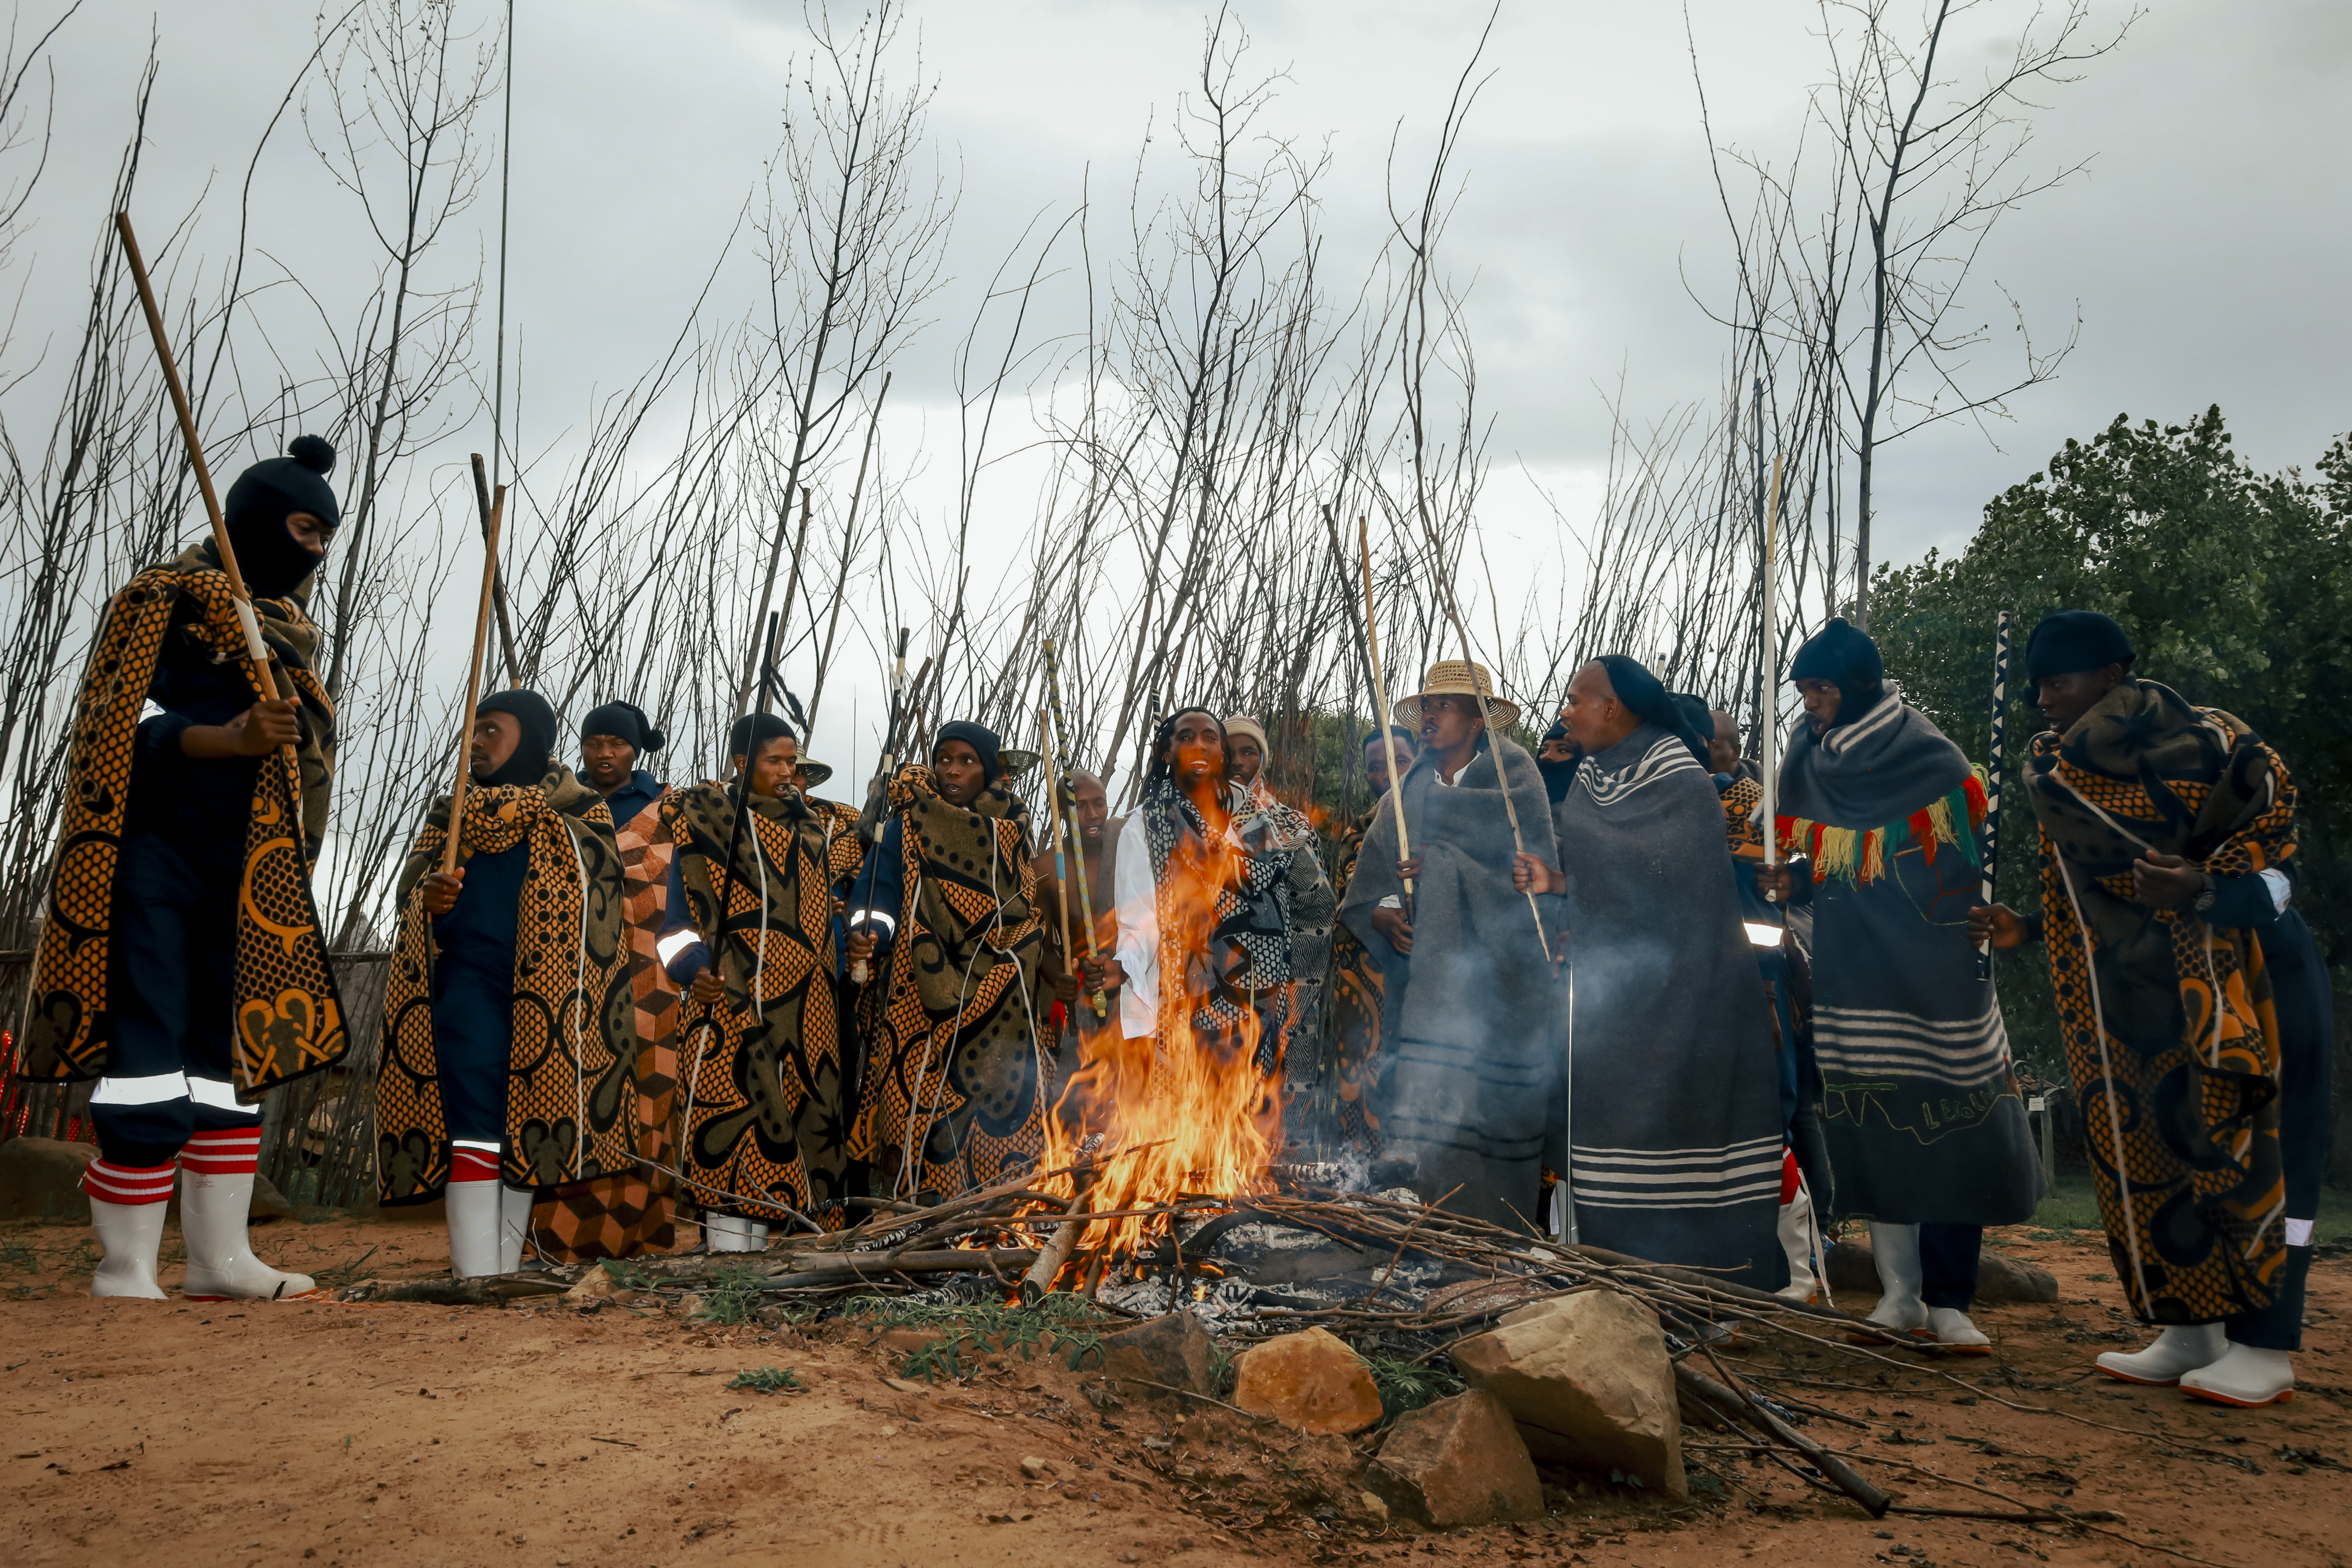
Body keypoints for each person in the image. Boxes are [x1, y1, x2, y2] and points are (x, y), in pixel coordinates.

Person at [24, 438, 347, 1300]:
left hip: (251, 866)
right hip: (154, 854)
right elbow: (115, 729)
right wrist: (231, 738)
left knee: (223, 1060)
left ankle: (219, 1256)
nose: (313, 550)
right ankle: (124, 1262)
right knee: (148, 1056)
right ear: (251, 518)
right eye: (302, 527)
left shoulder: (288, 628)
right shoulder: (162, 598)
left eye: (326, 536)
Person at [1970, 611, 2314, 1407]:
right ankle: (2191, 1326)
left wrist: (2207, 890)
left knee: (2262, 1149)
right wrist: (2026, 923)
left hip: (2252, 978)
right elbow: (2093, 887)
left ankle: (2267, 1342)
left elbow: (2282, 859)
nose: (2045, 700)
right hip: (2138, 998)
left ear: (2113, 675)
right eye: (2039, 686)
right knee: (2160, 1146)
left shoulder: (2214, 746)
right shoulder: (2057, 769)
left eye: (2060, 682)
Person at [1758, 619, 2040, 1347]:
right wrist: (1789, 879)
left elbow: (1950, 872)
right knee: (1875, 1124)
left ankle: (1951, 1300)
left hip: (1939, 970)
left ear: (1856, 687)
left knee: (1954, 1127)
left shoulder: (1931, 759)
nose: (1810, 704)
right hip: (1856, 971)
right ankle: (1899, 1295)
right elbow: (1829, 869)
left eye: (1820, 690)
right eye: (1803, 691)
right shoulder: (1810, 757)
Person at [1518, 655, 1784, 1285]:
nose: (1564, 711)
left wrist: (1565, 884)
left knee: (1679, 1144)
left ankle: (1706, 1293)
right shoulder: (1591, 777)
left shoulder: (1679, 778)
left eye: (1576, 700)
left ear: (1612, 708)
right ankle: (1623, 1282)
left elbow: (1669, 885)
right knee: (1611, 1146)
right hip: (1612, 999)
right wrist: (1557, 883)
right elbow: (1603, 871)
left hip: (1684, 998)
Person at [377, 689, 636, 1277]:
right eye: (474, 731)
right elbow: (411, 893)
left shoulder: (580, 812)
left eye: (491, 730)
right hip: (466, 986)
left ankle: (503, 1266)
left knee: (527, 1130)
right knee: (473, 1123)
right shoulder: (451, 815)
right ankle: (474, 1273)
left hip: (551, 998)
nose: (476, 742)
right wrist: (428, 898)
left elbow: (601, 904)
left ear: (532, 738)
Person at [1338, 663, 1562, 1229]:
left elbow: (1537, 884)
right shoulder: (1407, 788)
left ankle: (1497, 1236)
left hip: (1502, 987)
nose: (1430, 717)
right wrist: (1387, 916)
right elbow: (1366, 892)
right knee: (1427, 1117)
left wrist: (1444, 867)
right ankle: (1429, 1235)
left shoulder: (1517, 782)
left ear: (1477, 719)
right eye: (1427, 706)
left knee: (1494, 1115)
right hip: (1424, 993)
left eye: (1445, 706)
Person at [657, 714, 861, 1247]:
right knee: (737, 1127)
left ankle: (783, 1266)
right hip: (730, 1002)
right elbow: (674, 925)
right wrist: (693, 969)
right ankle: (730, 1267)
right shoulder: (705, 819)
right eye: (776, 760)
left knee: (801, 1132)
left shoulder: (811, 829)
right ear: (742, 763)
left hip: (807, 1017)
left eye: (793, 761)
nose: (788, 771)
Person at [845, 723, 1047, 1203]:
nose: (952, 770)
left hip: (999, 998)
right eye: (944, 758)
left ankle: (992, 1221)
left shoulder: (1012, 826)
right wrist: (870, 931)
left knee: (994, 1106)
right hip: (919, 993)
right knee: (915, 1107)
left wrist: (1018, 950)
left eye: (966, 760)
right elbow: (881, 889)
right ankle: (913, 1225)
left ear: (992, 770)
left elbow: (1022, 904)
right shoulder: (908, 821)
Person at [1094, 711, 1302, 1106]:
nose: (1200, 746)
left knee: (1243, 1148)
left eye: (1210, 737)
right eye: (1186, 737)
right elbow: (1140, 925)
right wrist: (1123, 965)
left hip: (1257, 1013)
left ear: (1222, 754)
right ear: (1166, 753)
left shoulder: (1255, 826)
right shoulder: (1146, 827)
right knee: (1187, 1147)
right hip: (1185, 1015)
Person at [1330, 728, 1418, 1152]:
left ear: (1417, 761)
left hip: (1432, 984)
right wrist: (1376, 914)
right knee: (1366, 1072)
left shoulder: (1445, 816)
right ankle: (1359, 1174)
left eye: (1399, 761)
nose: (1387, 773)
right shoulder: (1360, 830)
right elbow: (1349, 897)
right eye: (1376, 766)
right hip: (1370, 986)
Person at [580, 700, 670, 832]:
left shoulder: (664, 805)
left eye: (618, 744)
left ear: (635, 753)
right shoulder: (558, 800)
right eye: (593, 745)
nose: (605, 754)